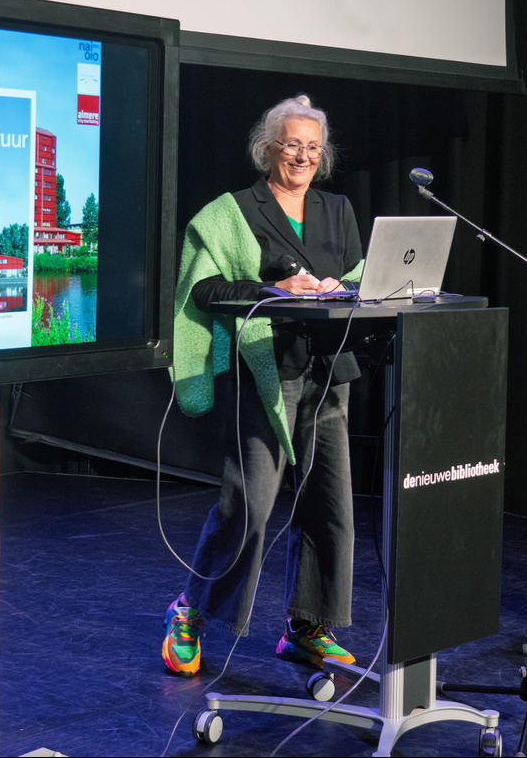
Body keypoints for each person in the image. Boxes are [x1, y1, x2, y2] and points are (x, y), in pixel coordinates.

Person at [164, 95, 365, 677]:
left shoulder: (338, 209)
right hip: (263, 371)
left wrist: (335, 288)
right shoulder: (234, 211)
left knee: (331, 506)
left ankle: (306, 628)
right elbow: (203, 290)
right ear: (268, 147)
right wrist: (277, 291)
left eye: (312, 146)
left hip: (328, 372)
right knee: (248, 508)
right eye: (291, 144)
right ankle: (189, 612)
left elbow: (358, 278)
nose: (302, 155)